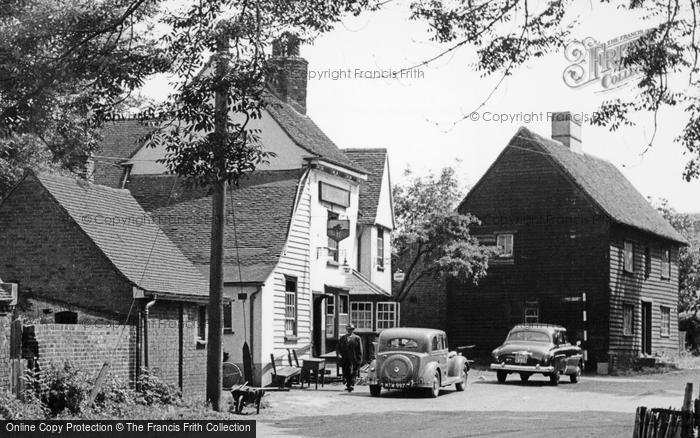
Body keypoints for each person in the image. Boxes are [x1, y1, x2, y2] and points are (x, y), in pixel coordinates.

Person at [337, 323, 363, 392]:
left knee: (353, 372)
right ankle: (348, 385)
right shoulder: (343, 338)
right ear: (347, 330)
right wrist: (339, 354)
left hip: (353, 358)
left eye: (351, 330)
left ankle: (351, 385)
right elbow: (338, 348)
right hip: (345, 358)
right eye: (348, 330)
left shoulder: (357, 338)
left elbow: (360, 350)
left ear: (353, 330)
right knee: (346, 372)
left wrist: (359, 359)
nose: (349, 331)